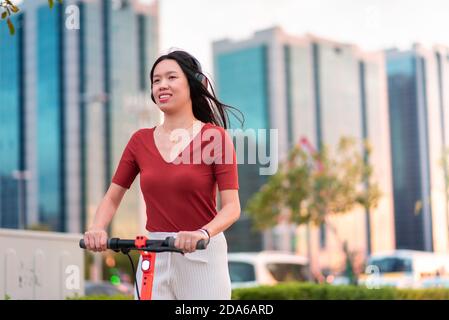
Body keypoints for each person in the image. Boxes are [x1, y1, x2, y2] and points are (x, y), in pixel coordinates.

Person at [83, 50, 243, 300]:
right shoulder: (139, 141)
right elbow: (113, 197)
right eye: (156, 80)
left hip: (202, 252)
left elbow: (232, 207)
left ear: (192, 84)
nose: (162, 85)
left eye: (171, 77)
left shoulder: (215, 138)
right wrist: (97, 228)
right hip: (153, 254)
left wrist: (202, 233)